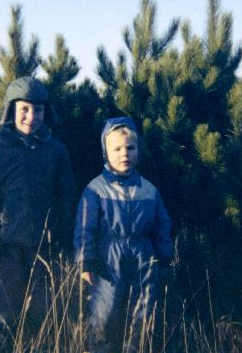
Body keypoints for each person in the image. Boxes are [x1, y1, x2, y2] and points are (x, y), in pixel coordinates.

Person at [0, 76, 75, 331]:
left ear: (45, 112)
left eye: (37, 110)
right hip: (5, 244)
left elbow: (66, 197)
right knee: (5, 312)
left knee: (42, 312)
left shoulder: (56, 151)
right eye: (24, 110)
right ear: (11, 111)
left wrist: (66, 236)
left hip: (43, 243)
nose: (31, 116)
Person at [74, 117, 173, 352]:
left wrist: (164, 256)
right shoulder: (95, 189)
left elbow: (162, 224)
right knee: (105, 312)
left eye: (130, 148)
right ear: (105, 153)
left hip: (144, 257)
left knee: (144, 311)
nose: (124, 154)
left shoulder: (148, 189)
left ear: (138, 150)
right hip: (108, 259)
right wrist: (85, 261)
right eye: (116, 149)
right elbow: (85, 227)